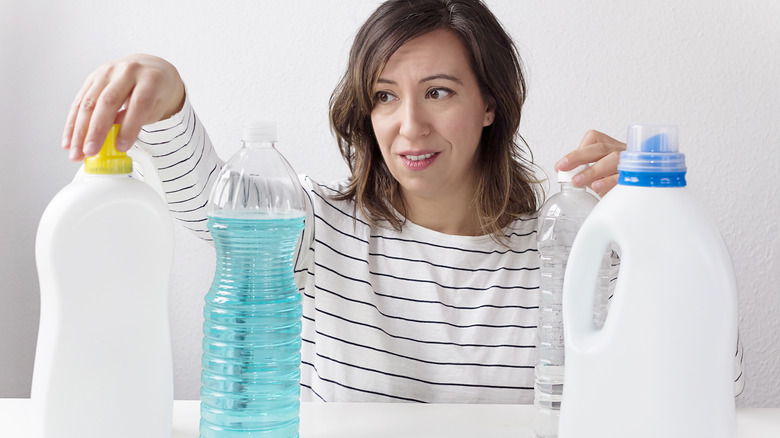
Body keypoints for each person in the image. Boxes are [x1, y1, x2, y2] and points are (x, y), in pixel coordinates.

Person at [60, 0, 741, 403]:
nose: (408, 124)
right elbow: (206, 203)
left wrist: (656, 229)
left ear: (489, 107)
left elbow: (712, 388)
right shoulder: (319, 229)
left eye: (438, 92)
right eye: (385, 96)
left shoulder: (574, 246)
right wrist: (168, 96)